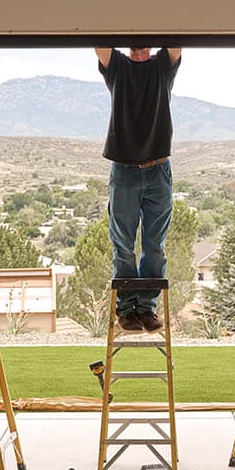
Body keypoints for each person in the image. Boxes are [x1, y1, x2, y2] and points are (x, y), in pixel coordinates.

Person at [96, 46, 183, 332]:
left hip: (158, 170)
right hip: (124, 171)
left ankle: (146, 309)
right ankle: (126, 311)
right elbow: (99, 42)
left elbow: (176, 39)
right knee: (123, 245)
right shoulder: (118, 66)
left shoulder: (162, 67)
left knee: (154, 246)